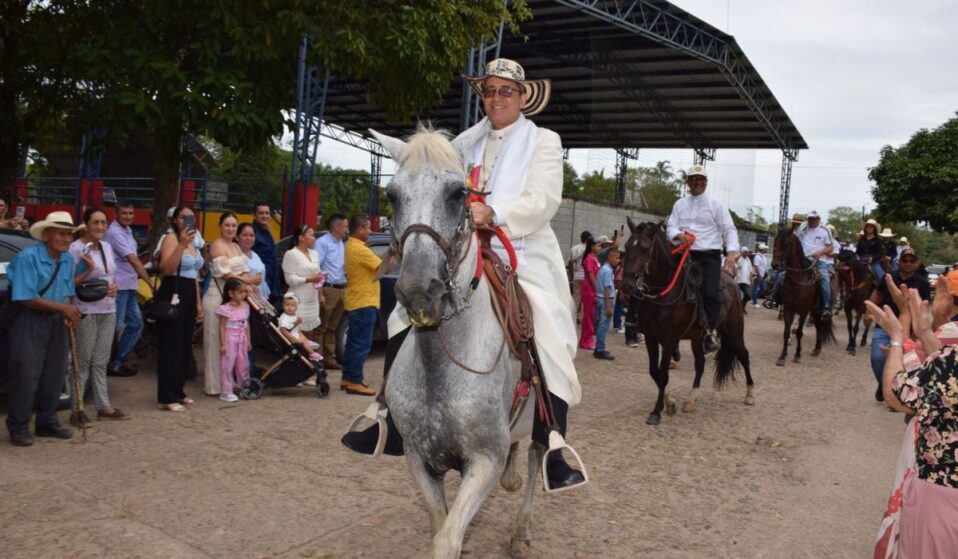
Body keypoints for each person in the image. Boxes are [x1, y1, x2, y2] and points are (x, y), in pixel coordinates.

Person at [344, 58, 586, 489]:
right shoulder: (465, 143)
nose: (496, 98)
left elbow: (544, 198)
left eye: (505, 91)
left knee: (549, 323)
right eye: (489, 91)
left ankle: (552, 438)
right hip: (464, 250)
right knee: (406, 310)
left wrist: (496, 211)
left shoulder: (544, 140)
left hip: (523, 250)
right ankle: (389, 414)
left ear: (523, 96)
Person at [865, 290, 958, 556]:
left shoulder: (953, 361)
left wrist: (897, 338)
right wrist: (927, 330)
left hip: (943, 494)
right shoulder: (950, 361)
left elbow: (897, 397)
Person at [5, 211, 83, 446]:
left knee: (55, 373)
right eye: (61, 234)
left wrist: (69, 311)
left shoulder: (68, 260)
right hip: (31, 319)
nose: (67, 239)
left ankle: (47, 422)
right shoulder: (28, 257)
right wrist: (63, 309)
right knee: (26, 375)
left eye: (69, 235)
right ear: (47, 234)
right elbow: (25, 297)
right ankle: (18, 425)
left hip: (57, 320)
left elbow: (68, 291)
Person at [666, 164, 740, 352]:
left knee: (709, 292)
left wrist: (731, 254)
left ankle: (708, 332)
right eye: (693, 179)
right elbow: (670, 227)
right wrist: (678, 235)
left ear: (706, 183)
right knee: (664, 285)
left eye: (700, 179)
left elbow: (729, 230)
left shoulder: (716, 205)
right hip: (683, 253)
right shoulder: (679, 204)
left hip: (708, 256)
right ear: (687, 183)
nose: (696, 182)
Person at [67, 207, 129, 428]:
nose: (100, 227)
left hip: (107, 308)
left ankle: (103, 405)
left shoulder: (106, 246)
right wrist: (88, 270)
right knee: (82, 361)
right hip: (85, 310)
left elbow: (110, 275)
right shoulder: (75, 249)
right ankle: (77, 409)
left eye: (103, 222)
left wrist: (114, 288)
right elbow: (68, 283)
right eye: (96, 222)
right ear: (86, 224)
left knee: (101, 360)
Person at [155, 206, 205, 412]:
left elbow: (194, 273)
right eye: (183, 217)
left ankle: (179, 390)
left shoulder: (194, 242)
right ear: (175, 220)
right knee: (171, 345)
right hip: (172, 290)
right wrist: (181, 245)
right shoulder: (171, 239)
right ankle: (167, 396)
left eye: (190, 217)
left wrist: (198, 303)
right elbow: (166, 268)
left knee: (185, 345)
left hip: (189, 291)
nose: (187, 221)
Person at [867, 247, 930, 403]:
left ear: (917, 263)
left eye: (912, 261)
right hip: (884, 323)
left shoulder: (922, 283)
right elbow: (877, 293)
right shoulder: (888, 277)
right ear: (899, 262)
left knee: (903, 361)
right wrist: (868, 311)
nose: (908, 264)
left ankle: (893, 390)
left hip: (907, 329)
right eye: (905, 260)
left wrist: (920, 329)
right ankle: (884, 383)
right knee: (876, 358)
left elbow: (925, 306)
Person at [202, 212, 249, 396]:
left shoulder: (236, 247)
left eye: (233, 225)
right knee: (214, 341)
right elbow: (225, 274)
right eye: (227, 225)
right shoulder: (216, 245)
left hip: (233, 300)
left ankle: (228, 383)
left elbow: (243, 272)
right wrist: (249, 280)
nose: (230, 228)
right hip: (216, 296)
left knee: (231, 346)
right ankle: (213, 385)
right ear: (220, 226)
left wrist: (247, 280)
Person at [103, 201, 152, 377]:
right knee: (114, 327)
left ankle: (117, 362)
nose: (129, 217)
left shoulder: (128, 231)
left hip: (130, 285)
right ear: (116, 214)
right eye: (125, 213)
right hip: (119, 286)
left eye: (131, 213)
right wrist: (150, 282)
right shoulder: (115, 232)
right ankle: (102, 363)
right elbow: (132, 259)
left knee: (136, 324)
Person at [340, 215, 383, 396]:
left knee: (353, 343)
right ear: (360, 230)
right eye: (368, 228)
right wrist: (395, 252)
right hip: (364, 301)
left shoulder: (352, 246)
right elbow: (383, 267)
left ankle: (348, 377)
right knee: (361, 344)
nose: (370, 231)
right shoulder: (359, 249)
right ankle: (354, 381)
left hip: (358, 300)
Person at [314, 213, 348, 370]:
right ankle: (317, 359)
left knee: (332, 327)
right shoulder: (322, 243)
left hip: (341, 288)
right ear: (336, 227)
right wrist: (320, 292)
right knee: (321, 326)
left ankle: (329, 358)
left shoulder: (341, 243)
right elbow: (317, 268)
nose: (347, 229)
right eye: (345, 226)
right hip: (328, 289)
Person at [282, 224, 325, 341]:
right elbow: (289, 279)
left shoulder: (314, 253)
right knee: (297, 334)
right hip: (298, 300)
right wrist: (309, 279)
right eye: (311, 235)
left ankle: (309, 358)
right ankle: (298, 358)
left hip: (313, 300)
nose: (314, 238)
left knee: (310, 333)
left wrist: (320, 294)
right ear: (301, 237)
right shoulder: (291, 254)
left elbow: (318, 275)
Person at [216, 278, 252, 403]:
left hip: (242, 338)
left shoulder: (246, 306)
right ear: (231, 293)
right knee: (227, 364)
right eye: (240, 292)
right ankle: (226, 391)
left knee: (243, 363)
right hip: (230, 338)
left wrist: (248, 340)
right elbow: (221, 327)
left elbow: (247, 324)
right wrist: (222, 344)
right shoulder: (225, 309)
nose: (243, 295)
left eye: (244, 292)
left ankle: (243, 386)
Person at [795, 210, 834, 317]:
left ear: (818, 219)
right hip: (802, 260)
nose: (811, 221)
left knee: (824, 279)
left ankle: (826, 306)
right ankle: (774, 298)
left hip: (818, 261)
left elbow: (830, 247)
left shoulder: (824, 230)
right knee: (783, 275)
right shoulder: (802, 228)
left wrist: (819, 253)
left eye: (814, 219)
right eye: (810, 218)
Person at [252, 202, 281, 307]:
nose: (265, 216)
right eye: (261, 213)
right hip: (258, 283)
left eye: (267, 213)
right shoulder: (251, 233)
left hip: (271, 282)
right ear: (254, 215)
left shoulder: (267, 233)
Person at [277, 293, 323, 361]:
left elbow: (297, 329)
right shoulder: (284, 317)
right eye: (287, 305)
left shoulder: (293, 315)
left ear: (296, 307)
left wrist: (298, 325)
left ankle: (307, 342)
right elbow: (283, 330)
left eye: (292, 306)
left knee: (301, 334)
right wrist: (296, 324)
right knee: (304, 341)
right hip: (289, 337)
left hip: (295, 333)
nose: (289, 307)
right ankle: (312, 353)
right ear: (283, 306)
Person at [594, 247, 618, 360]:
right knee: (603, 326)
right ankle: (600, 350)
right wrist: (609, 305)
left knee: (600, 325)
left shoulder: (604, 268)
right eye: (616, 257)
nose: (618, 260)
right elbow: (607, 289)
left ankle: (598, 348)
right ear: (610, 257)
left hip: (600, 299)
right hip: (605, 300)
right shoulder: (608, 271)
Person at [578, 236, 599, 350]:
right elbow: (591, 276)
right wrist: (597, 290)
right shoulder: (589, 259)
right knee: (588, 316)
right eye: (598, 245)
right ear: (591, 246)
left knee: (591, 315)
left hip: (592, 288)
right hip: (590, 289)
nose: (600, 248)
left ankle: (587, 339)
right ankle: (586, 341)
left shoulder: (594, 258)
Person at [567, 230, 591, 322]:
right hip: (587, 277)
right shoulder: (590, 249)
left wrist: (572, 273)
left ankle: (574, 315)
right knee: (584, 298)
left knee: (577, 297)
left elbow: (570, 263)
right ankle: (578, 317)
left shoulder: (575, 248)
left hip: (577, 276)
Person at [751, 243, 768, 308]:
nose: (766, 249)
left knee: (763, 289)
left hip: (762, 275)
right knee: (756, 288)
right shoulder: (757, 257)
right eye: (765, 248)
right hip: (758, 275)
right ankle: (755, 302)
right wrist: (759, 275)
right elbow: (756, 266)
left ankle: (754, 298)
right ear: (762, 249)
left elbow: (763, 266)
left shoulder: (763, 256)